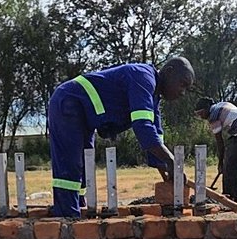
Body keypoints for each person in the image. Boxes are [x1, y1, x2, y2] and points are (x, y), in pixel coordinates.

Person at [47, 57, 194, 217]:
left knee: (84, 165)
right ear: (169, 71)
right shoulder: (143, 77)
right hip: (69, 101)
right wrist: (171, 161)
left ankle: (77, 211)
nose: (182, 92)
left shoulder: (153, 97)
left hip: (84, 114)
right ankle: (66, 218)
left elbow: (155, 134)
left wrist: (166, 170)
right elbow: (143, 127)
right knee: (70, 164)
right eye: (182, 84)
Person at [194, 97, 237, 202]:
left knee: (229, 169)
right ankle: (236, 197)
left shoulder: (213, 116)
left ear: (207, 108)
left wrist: (221, 163)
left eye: (201, 113)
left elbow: (220, 143)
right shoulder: (221, 105)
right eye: (198, 115)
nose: (201, 117)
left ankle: (228, 199)